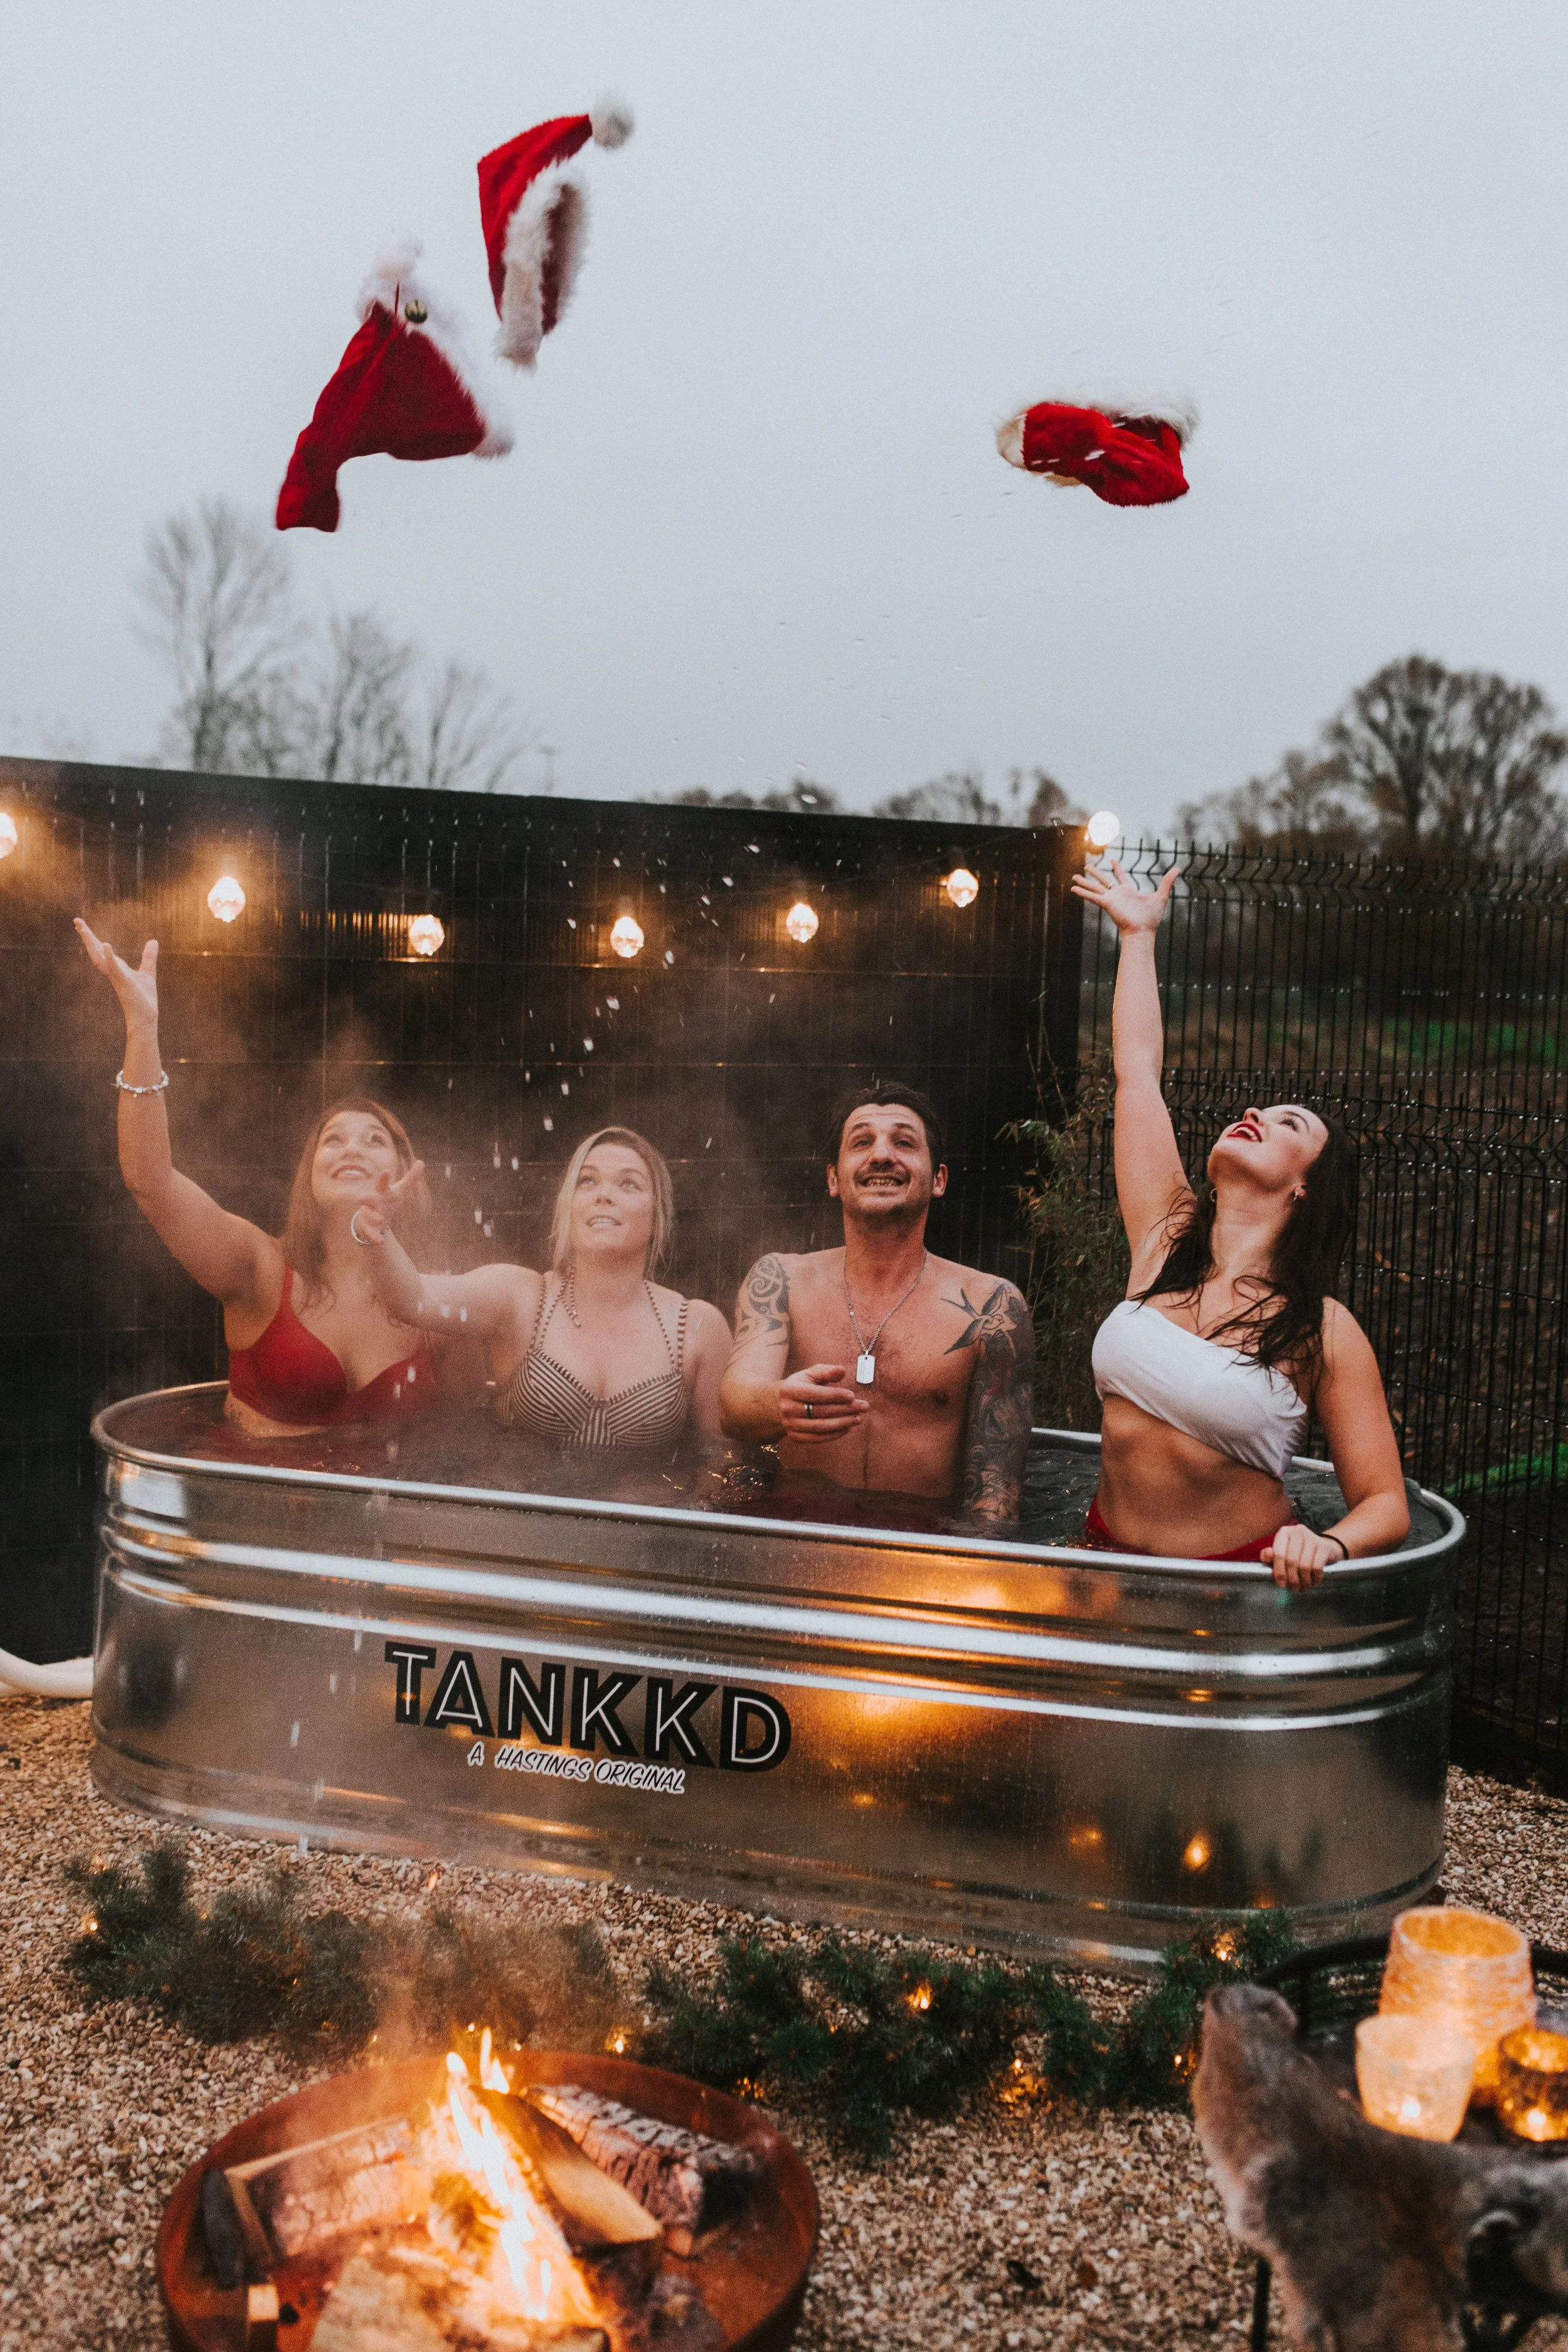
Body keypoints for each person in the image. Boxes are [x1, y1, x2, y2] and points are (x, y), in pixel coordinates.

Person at [1070, 857, 1409, 1587]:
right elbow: (1137, 1070)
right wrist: (1136, 937)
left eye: (1289, 1122)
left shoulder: (1320, 1329)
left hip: (1231, 1586)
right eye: (1257, 1110)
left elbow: (1385, 1503)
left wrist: (1331, 1545)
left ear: (1304, 1190)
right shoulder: (1164, 1239)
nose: (1253, 1114)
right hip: (1098, 1560)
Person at [74, 921, 452, 1438]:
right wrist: (142, 1027)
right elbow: (151, 1180)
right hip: (254, 1511)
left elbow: (470, 1428)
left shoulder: (433, 1299)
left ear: (406, 1175)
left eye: (374, 1140)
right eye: (333, 1139)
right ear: (309, 1176)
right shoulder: (261, 1268)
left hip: (389, 1516)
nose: (352, 1149)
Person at [718, 1084, 1035, 1523]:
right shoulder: (781, 1279)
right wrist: (778, 1403)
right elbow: (734, 1406)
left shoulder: (992, 1306)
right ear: (833, 1177)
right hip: (796, 1530)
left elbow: (995, 1493)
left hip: (921, 1543)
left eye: (904, 1142)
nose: (882, 1156)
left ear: (939, 1179)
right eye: (862, 1142)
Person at [354, 1126, 731, 1451]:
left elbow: (717, 1457)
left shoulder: (695, 1327)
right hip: (524, 1523)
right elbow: (412, 1299)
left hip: (643, 1527)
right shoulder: (521, 1298)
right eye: (588, 1181)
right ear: (569, 1207)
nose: (603, 1195)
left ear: (657, 1214)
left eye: (629, 1184)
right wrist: (374, 1233)